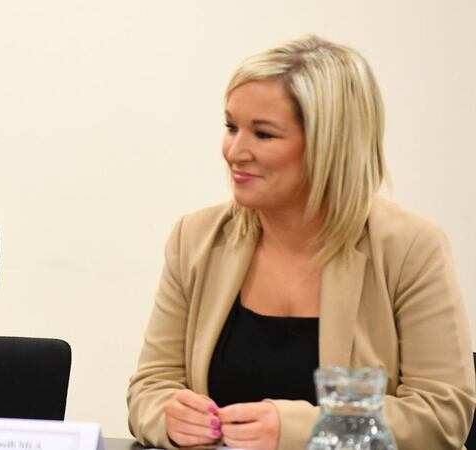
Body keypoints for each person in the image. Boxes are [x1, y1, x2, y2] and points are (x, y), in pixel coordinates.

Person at [127, 35, 475, 450]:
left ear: (330, 145)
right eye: (231, 127)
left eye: (264, 134)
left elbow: (442, 414)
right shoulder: (196, 237)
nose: (235, 152)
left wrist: (299, 428)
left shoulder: (411, 248)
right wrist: (168, 416)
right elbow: (151, 385)